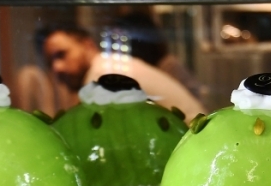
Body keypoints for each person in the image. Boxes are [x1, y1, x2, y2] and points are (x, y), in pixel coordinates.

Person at [34, 24, 204, 118]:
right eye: (50, 62)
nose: (57, 67)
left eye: (62, 54)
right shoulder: (111, 65)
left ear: (88, 45)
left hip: (190, 145)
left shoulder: (103, 76)